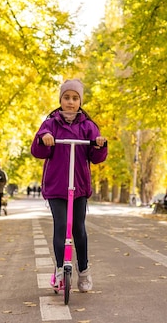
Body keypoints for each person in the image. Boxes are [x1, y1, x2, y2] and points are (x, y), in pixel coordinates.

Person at [31, 79, 108, 293]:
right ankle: (59, 270)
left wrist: (100, 144)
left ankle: (83, 270)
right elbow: (38, 150)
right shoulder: (51, 123)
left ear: (80, 101)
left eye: (75, 98)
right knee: (61, 226)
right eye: (67, 97)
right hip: (56, 185)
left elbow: (96, 157)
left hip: (79, 186)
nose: (70, 102)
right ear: (61, 100)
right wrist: (44, 138)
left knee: (79, 229)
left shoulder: (88, 126)